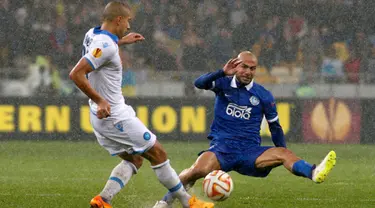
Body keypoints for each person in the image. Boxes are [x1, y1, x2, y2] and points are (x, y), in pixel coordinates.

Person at [69, 2, 214, 208]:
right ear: (118, 19)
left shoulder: (92, 34)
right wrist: (101, 99)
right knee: (158, 153)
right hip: (114, 115)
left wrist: (121, 41)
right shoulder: (107, 45)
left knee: (135, 160)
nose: (128, 26)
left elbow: (101, 49)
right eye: (128, 21)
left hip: (99, 115)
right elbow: (76, 74)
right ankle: (188, 202)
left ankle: (103, 200)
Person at [153, 51, 336, 208]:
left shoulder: (263, 95)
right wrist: (221, 72)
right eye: (244, 67)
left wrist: (282, 149)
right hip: (222, 148)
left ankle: (313, 172)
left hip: (250, 151)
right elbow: (198, 83)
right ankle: (165, 201)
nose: (248, 72)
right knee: (197, 170)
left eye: (252, 68)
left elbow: (275, 127)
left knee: (284, 154)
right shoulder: (223, 83)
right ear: (236, 65)